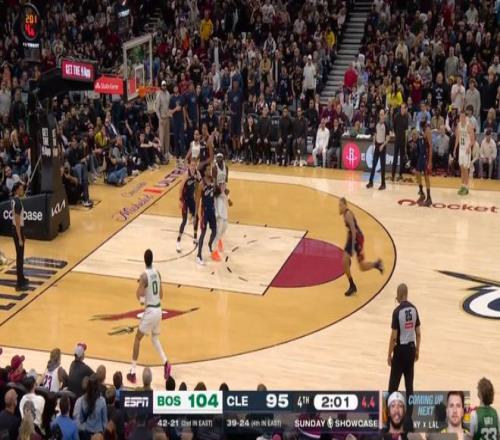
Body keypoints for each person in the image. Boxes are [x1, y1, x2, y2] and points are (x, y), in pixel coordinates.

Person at [127, 249, 170, 384]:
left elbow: (139, 297)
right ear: (152, 259)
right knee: (155, 338)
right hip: (159, 310)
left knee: (137, 339)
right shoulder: (158, 273)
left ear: (144, 260)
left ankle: (133, 372)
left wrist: (142, 287)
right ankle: (166, 362)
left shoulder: (144, 276)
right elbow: (161, 295)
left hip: (151, 311)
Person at [387, 283, 421, 418]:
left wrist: (389, 354)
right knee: (409, 387)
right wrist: (417, 350)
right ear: (406, 294)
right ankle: (409, 419)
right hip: (411, 349)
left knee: (393, 387)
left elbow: (394, 337)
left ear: (399, 295)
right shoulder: (414, 309)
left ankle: (391, 419)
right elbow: (418, 333)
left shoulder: (397, 312)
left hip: (400, 351)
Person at [339, 197, 383, 296]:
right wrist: (347, 244)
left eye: (341, 205)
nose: (339, 207)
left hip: (357, 239)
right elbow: (349, 231)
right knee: (352, 263)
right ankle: (376, 265)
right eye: (339, 205)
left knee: (356, 265)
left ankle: (376, 265)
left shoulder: (348, 214)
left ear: (345, 205)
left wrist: (352, 247)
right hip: (353, 239)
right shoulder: (345, 215)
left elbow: (353, 231)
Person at [176, 160, 201, 252]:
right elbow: (180, 188)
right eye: (192, 165)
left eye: (195, 165)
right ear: (189, 165)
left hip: (191, 198)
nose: (193, 167)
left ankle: (195, 237)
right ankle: (178, 241)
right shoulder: (187, 174)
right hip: (184, 199)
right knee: (184, 220)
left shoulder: (197, 173)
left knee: (197, 217)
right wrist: (180, 200)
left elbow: (201, 183)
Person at [196, 166, 218, 264]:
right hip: (204, 211)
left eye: (210, 170)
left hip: (212, 210)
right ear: (204, 172)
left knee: (215, 231)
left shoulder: (213, 180)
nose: (210, 171)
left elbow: (215, 193)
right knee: (203, 232)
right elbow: (198, 200)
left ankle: (210, 244)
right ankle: (198, 255)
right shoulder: (201, 184)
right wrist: (196, 214)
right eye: (208, 170)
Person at [11, 181, 29, 291]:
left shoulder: (14, 200)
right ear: (17, 190)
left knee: (20, 256)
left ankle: (21, 277)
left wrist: (23, 234)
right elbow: (17, 222)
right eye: (21, 189)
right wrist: (20, 238)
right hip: (17, 230)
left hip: (18, 230)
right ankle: (19, 284)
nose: (23, 191)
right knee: (20, 257)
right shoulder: (17, 203)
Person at [77, 374, 107, 439]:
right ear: (98, 386)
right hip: (98, 434)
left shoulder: (83, 400)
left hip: (86, 433)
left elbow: (81, 419)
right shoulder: (102, 401)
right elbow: (105, 422)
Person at [367, 109, 390, 190]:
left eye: (382, 114)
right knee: (373, 165)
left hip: (382, 147)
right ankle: (371, 182)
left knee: (383, 166)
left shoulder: (386, 125)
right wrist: (373, 144)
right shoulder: (377, 124)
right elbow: (375, 135)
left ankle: (383, 184)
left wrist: (382, 146)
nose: (381, 116)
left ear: (384, 115)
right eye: (380, 114)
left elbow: (388, 138)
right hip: (377, 146)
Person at [213, 153, 231, 255]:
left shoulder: (226, 167)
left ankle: (219, 239)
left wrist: (229, 198)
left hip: (223, 196)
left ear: (223, 159)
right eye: (217, 158)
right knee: (219, 222)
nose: (219, 159)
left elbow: (226, 184)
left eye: (220, 158)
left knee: (225, 224)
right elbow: (214, 186)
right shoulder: (214, 168)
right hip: (216, 197)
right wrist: (220, 190)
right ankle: (214, 249)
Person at [454, 110, 475, 195]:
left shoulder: (469, 126)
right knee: (462, 168)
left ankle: (466, 187)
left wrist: (469, 147)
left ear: (465, 117)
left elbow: (473, 140)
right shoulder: (458, 125)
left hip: (466, 150)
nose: (462, 118)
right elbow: (457, 138)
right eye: (460, 117)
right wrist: (455, 149)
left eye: (463, 117)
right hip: (461, 150)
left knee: (466, 169)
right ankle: (462, 186)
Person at [414, 120, 433, 206]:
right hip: (421, 156)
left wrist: (430, 161)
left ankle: (429, 198)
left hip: (426, 156)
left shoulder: (428, 131)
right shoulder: (421, 130)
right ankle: (422, 193)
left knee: (426, 177)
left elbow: (430, 147)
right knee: (417, 173)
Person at [392, 104, 409, 181]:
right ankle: (393, 175)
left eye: (403, 108)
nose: (402, 109)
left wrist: (405, 140)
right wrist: (397, 135)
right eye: (401, 108)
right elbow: (394, 127)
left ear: (405, 109)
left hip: (403, 140)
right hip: (397, 140)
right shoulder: (396, 116)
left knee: (402, 158)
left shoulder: (406, 117)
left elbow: (406, 129)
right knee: (395, 157)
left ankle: (400, 174)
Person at [155, 80, 171, 161]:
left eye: (165, 85)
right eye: (163, 85)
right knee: (161, 137)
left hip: (167, 118)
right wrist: (159, 118)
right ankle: (162, 154)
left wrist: (170, 114)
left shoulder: (168, 94)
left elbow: (169, 106)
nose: (164, 86)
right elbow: (156, 109)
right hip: (161, 119)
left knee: (167, 136)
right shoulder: (158, 95)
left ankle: (167, 152)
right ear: (161, 86)